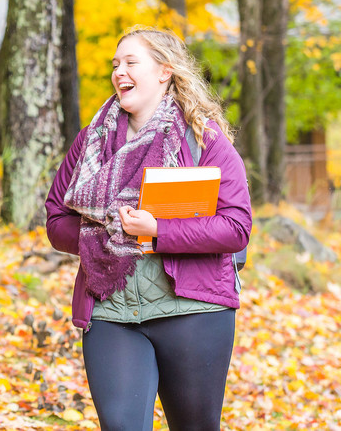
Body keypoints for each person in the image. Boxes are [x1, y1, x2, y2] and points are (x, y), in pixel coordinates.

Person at [45, 25, 251, 431]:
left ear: (164, 71)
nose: (119, 71)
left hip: (193, 309)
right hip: (111, 312)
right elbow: (56, 220)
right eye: (115, 64)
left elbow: (236, 227)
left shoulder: (202, 139)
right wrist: (104, 236)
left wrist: (158, 231)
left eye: (131, 62)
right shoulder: (92, 140)